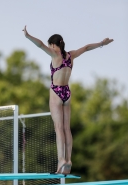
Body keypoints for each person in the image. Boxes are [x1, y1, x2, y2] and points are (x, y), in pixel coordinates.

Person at [23, 26, 113, 174]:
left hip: (56, 91)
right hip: (67, 93)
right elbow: (87, 47)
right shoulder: (70, 55)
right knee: (66, 128)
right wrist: (102, 43)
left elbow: (39, 45)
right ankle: (69, 160)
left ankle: (61, 161)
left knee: (58, 128)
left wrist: (28, 36)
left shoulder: (54, 54)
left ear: (53, 44)